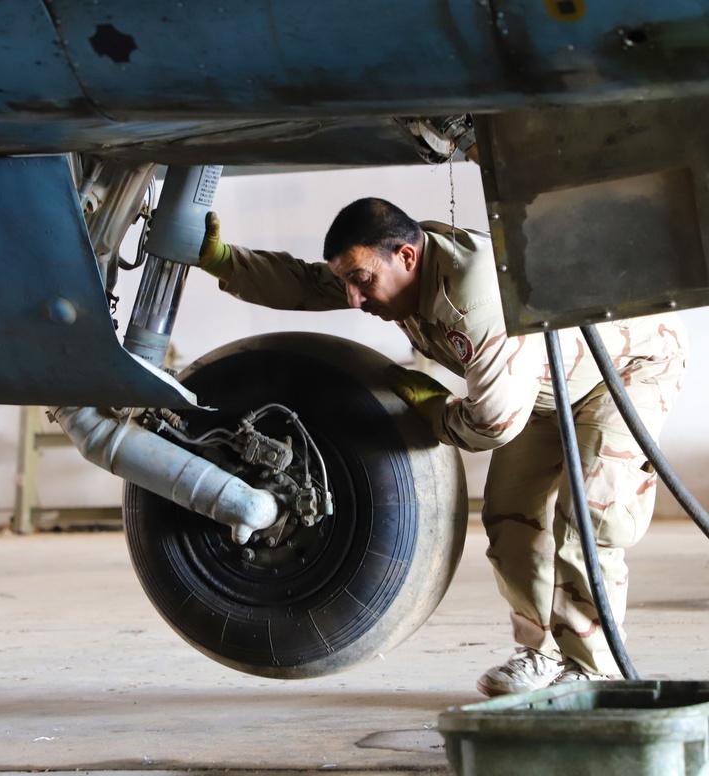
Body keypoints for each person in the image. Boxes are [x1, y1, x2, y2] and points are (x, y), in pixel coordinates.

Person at [196, 198, 688, 696]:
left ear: (407, 258)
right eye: (347, 280)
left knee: (588, 521)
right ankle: (542, 652)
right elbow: (307, 283)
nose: (353, 298)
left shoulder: (472, 298)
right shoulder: (388, 268)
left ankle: (592, 668)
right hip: (541, 382)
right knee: (511, 520)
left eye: (361, 281)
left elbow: (493, 424)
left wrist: (434, 410)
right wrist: (223, 261)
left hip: (624, 371)